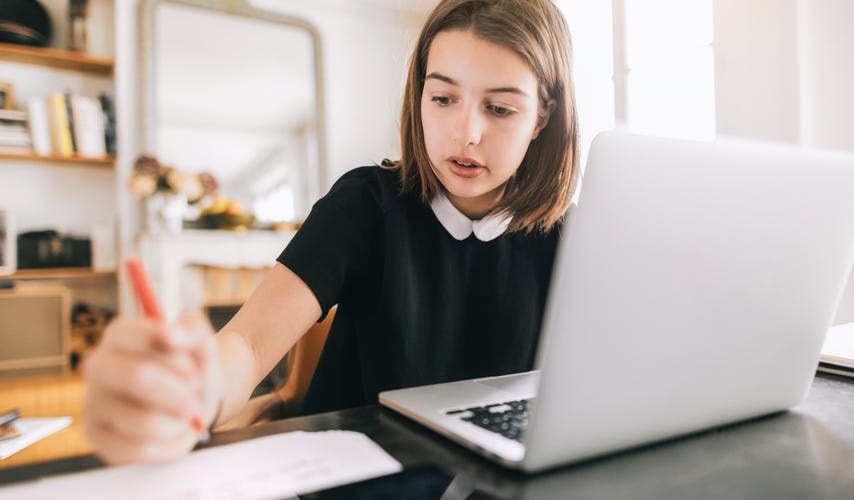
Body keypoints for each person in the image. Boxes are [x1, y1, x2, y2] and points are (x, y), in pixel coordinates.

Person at [84, 0, 579, 465]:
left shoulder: (572, 237)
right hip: (352, 477)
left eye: (500, 109)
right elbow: (250, 344)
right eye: (444, 98)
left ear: (543, 116)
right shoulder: (365, 203)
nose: (464, 131)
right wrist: (189, 390)